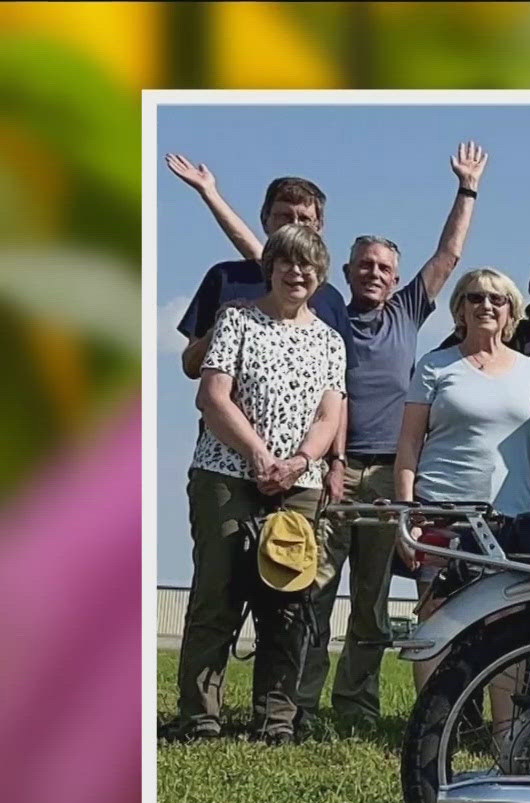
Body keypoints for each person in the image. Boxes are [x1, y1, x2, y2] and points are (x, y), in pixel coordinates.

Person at [286, 143, 488, 728]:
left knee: (371, 604)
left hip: (388, 476)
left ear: (396, 278)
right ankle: (299, 707)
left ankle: (356, 708)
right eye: (364, 265)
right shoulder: (324, 311)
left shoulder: (405, 311)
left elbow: (450, 254)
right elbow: (274, 254)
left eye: (383, 267)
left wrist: (467, 188)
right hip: (332, 470)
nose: (374, 273)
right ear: (344, 273)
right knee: (313, 593)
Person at [175, 224, 346, 743]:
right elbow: (213, 395)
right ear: (270, 266)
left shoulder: (331, 340)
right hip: (226, 477)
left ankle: (276, 719)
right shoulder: (237, 321)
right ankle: (201, 717)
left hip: (300, 484)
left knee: (289, 603)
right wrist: (258, 455)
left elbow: (329, 414)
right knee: (216, 596)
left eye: (308, 265)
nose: (297, 273)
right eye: (287, 262)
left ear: (319, 276)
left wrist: (297, 463)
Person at [395, 267, 530, 650]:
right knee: (437, 618)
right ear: (460, 309)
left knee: (507, 625)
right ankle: (437, 711)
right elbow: (408, 444)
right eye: (475, 297)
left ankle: (503, 714)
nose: (485, 305)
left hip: (511, 518)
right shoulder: (434, 365)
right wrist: (406, 513)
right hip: (441, 514)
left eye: (496, 299)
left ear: (511, 311)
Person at [165, 161, 349, 372]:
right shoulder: (225, 278)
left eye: (305, 219)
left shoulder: (330, 299)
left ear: (319, 227)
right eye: (285, 217)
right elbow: (190, 366)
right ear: (265, 220)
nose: (295, 225)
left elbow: (341, 383)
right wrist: (225, 327)